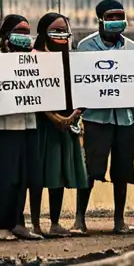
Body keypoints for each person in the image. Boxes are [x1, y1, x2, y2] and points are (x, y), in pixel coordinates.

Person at [73, 0, 134, 235]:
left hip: (126, 118)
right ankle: (79, 219)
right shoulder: (85, 48)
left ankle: (119, 221)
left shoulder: (133, 48)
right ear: (100, 20)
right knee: (91, 168)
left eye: (120, 17)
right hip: (97, 118)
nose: (117, 22)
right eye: (112, 17)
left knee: (123, 169)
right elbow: (82, 81)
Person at [0, 16, 43, 242]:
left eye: (28, 32)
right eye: (20, 31)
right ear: (6, 35)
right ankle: (3, 225)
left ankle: (19, 223)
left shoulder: (37, 60)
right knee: (7, 177)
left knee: (26, 176)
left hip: (28, 124)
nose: (25, 36)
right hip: (2, 127)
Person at [28, 13, 88, 237]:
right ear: (44, 33)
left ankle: (54, 222)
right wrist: (53, 116)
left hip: (66, 123)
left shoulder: (72, 59)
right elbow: (32, 92)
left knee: (59, 174)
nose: (62, 35)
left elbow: (83, 86)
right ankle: (35, 223)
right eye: (56, 30)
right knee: (38, 174)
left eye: (65, 30)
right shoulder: (33, 57)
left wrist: (74, 115)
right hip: (41, 125)